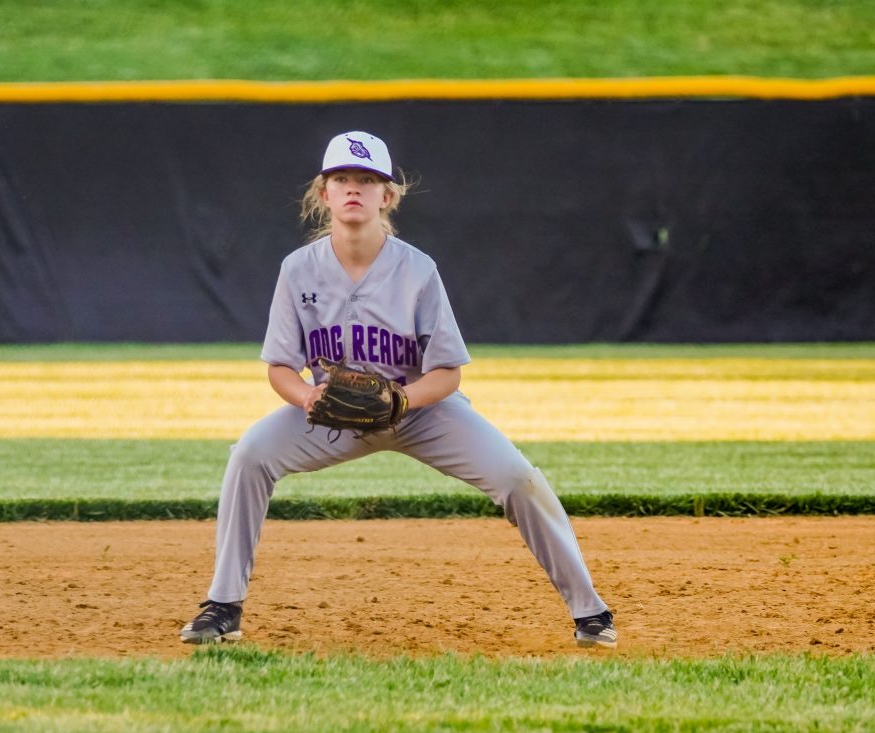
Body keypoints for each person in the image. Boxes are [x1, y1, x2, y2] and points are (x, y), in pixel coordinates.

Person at [180, 131, 617, 649]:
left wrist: (402, 400)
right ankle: (224, 606)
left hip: (423, 413)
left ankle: (590, 611)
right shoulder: (298, 271)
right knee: (250, 454)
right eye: (342, 178)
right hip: (332, 416)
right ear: (324, 193)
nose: (353, 189)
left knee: (518, 478)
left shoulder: (417, 270)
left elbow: (448, 374)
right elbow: (279, 366)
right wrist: (305, 398)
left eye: (368, 180)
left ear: (387, 196)